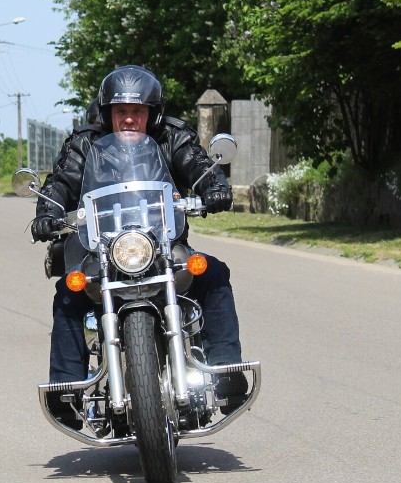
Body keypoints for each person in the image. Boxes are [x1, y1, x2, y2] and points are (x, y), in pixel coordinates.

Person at [30, 65, 247, 425]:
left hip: (161, 248)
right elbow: (60, 183)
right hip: (103, 251)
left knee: (212, 273)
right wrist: (48, 210)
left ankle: (225, 369)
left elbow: (199, 165)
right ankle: (66, 389)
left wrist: (214, 188)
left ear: (152, 113)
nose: (129, 119)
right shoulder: (83, 143)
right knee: (69, 293)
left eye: (137, 112)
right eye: (121, 112)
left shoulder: (173, 137)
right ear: (107, 114)